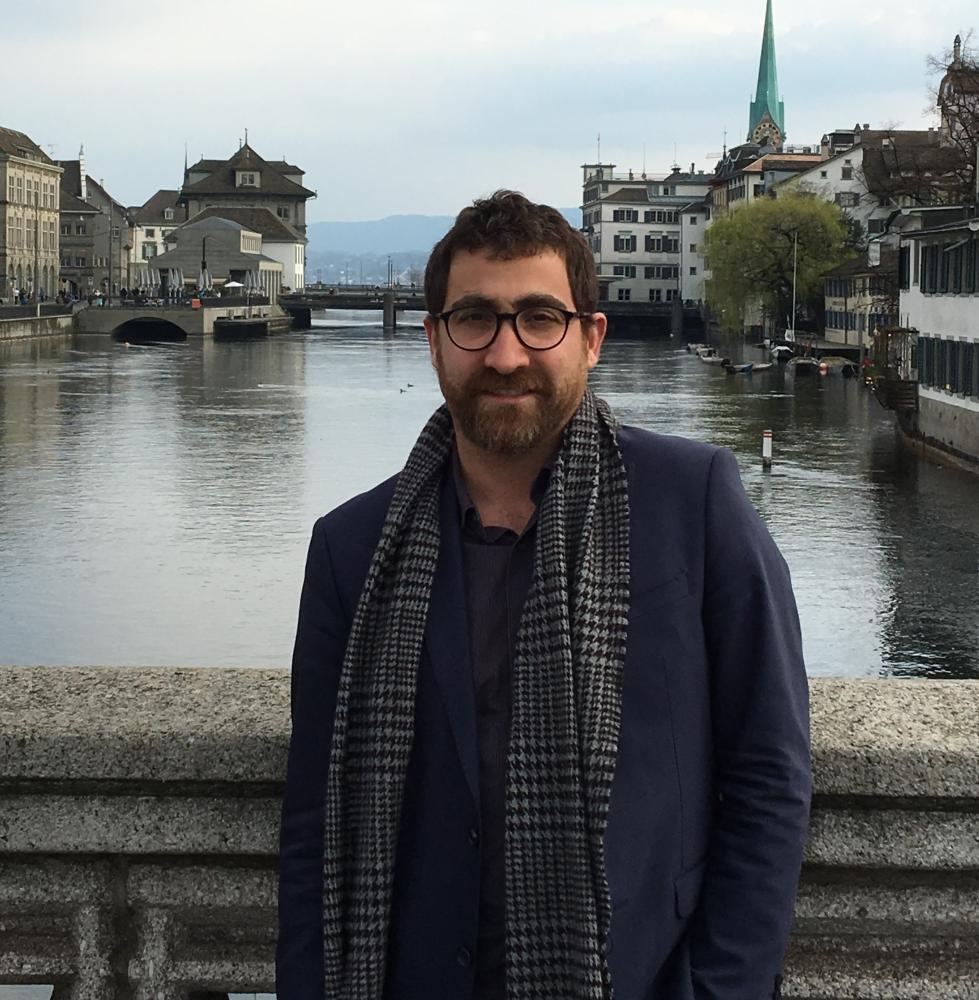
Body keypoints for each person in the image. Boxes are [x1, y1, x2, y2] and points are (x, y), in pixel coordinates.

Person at [277, 191, 811, 1000]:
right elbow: (315, 818)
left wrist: (719, 988)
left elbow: (768, 771)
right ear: (432, 340)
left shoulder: (692, 502)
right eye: (474, 319)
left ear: (589, 338)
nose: (505, 354)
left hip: (641, 977)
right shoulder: (350, 548)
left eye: (538, 318)